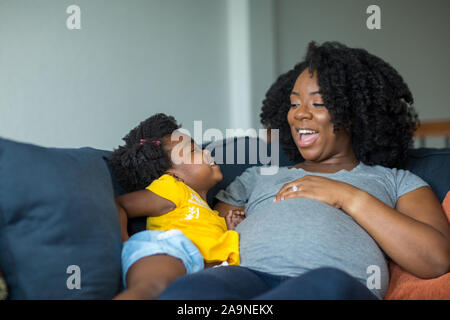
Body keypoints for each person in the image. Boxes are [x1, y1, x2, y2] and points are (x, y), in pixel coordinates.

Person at [158, 41, 450, 300]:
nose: (300, 113)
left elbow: (436, 259)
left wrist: (348, 197)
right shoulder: (258, 175)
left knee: (326, 284)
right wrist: (229, 226)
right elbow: (208, 233)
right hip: (248, 276)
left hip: (333, 282)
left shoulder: (397, 181)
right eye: (294, 103)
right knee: (190, 292)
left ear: (355, 112)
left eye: (318, 103)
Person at [108, 113, 245, 299]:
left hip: (199, 270)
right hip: (168, 249)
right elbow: (119, 204)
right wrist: (124, 242)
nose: (206, 152)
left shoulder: (209, 213)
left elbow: (205, 239)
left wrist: (229, 229)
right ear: (171, 172)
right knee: (151, 290)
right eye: (193, 151)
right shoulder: (171, 187)